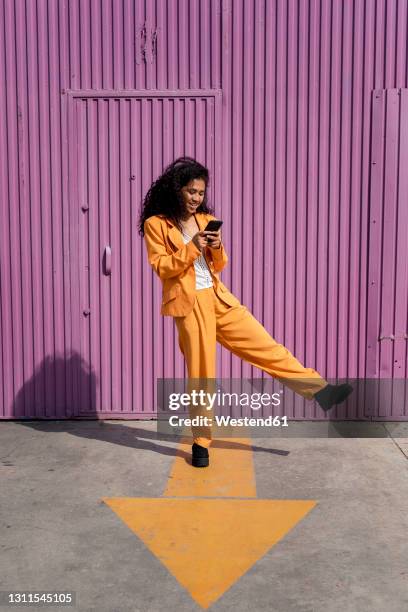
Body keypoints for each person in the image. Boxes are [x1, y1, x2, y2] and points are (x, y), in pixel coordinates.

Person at [139, 156, 353, 467]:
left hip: (219, 298)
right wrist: (193, 247)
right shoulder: (156, 224)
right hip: (189, 305)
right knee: (202, 376)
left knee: (268, 348)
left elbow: (220, 264)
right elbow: (162, 267)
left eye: (200, 193)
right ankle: (201, 442)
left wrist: (214, 245)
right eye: (191, 192)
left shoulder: (204, 219)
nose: (196, 198)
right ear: (176, 190)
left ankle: (320, 391)